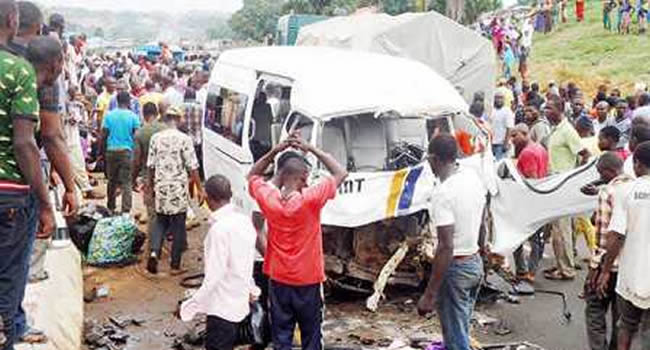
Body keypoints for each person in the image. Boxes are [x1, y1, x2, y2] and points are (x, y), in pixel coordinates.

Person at [247, 133, 348, 350]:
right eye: (307, 177)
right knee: (311, 336)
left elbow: (252, 175)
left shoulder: (268, 199)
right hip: (308, 281)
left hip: (279, 279)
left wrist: (275, 151)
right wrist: (311, 148)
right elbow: (341, 172)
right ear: (302, 176)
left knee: (281, 336)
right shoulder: (310, 200)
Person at [0, 4, 61, 348]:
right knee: (7, 288)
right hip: (9, 193)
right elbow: (26, 144)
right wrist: (45, 203)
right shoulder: (18, 70)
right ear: (12, 21)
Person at [417, 133, 487, 350]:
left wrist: (429, 294)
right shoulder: (473, 179)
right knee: (460, 328)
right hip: (474, 262)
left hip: (456, 268)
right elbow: (484, 219)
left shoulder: (443, 193)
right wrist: (483, 251)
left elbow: (446, 246)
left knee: (456, 338)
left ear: (434, 159)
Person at [179, 175, 258, 350]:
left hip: (222, 309)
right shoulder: (244, 221)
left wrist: (189, 306)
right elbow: (246, 263)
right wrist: (252, 289)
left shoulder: (219, 230)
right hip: (240, 304)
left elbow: (214, 277)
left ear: (206, 197)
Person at [597, 141, 650, 350]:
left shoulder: (625, 191)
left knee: (626, 325)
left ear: (636, 164)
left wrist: (605, 270)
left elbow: (616, 236)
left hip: (630, 275)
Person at [580, 152, 633, 350]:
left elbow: (603, 237)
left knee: (594, 310)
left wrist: (596, 269)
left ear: (608, 171)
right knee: (620, 317)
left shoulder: (608, 192)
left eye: (601, 173)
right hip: (629, 266)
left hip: (608, 264)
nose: (599, 177)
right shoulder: (635, 188)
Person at [146, 106, 203, 275]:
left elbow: (150, 165)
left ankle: (154, 252)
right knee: (178, 225)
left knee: (160, 221)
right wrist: (200, 188)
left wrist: (150, 186)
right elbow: (193, 166)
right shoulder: (184, 139)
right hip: (177, 186)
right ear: (178, 119)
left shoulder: (156, 138)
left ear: (165, 119)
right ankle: (175, 265)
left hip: (161, 184)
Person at [545, 95, 590, 280]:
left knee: (561, 230)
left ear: (560, 109)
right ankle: (561, 264)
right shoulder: (556, 130)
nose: (546, 111)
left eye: (549, 108)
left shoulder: (567, 131)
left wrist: (573, 176)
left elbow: (584, 153)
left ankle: (566, 270)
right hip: (555, 183)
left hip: (562, 184)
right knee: (560, 229)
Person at [511, 124, 549, 283]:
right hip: (540, 200)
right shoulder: (540, 148)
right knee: (536, 239)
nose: (511, 140)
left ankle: (523, 271)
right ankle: (531, 271)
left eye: (514, 136)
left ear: (525, 134)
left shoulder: (527, 153)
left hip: (529, 202)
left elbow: (532, 180)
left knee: (518, 237)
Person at [100, 91, 141, 215]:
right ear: (128, 102)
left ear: (117, 101)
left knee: (111, 181)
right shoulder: (133, 116)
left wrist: (102, 152)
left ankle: (111, 207)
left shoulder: (109, 116)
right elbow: (136, 135)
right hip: (126, 151)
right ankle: (125, 212)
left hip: (111, 151)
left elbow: (104, 134)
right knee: (126, 182)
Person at [132, 102, 166, 233]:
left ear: (144, 115)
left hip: (149, 178)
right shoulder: (166, 129)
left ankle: (154, 246)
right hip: (166, 175)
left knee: (152, 213)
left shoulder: (140, 133)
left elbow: (137, 160)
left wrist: (133, 178)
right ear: (157, 114)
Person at [490, 91, 515, 160]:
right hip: (491, 143)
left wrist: (506, 143)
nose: (499, 100)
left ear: (504, 99)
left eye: (501, 98)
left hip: (501, 144)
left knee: (499, 164)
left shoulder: (507, 111)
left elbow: (509, 128)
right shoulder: (492, 110)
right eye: (497, 98)